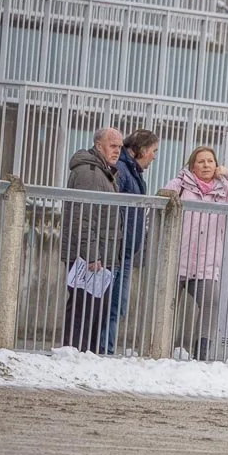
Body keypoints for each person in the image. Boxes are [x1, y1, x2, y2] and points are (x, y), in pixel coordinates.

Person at [161, 146, 228, 361]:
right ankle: (160, 347)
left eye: (210, 162)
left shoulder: (223, 193)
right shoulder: (180, 185)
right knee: (167, 304)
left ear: (216, 166)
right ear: (192, 166)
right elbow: (160, 203)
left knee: (210, 303)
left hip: (206, 264)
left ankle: (201, 353)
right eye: (201, 161)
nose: (206, 165)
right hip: (177, 260)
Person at [99, 129, 160, 355]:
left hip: (123, 252)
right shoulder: (123, 171)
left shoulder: (131, 171)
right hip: (116, 251)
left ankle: (106, 348)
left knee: (117, 306)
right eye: (153, 151)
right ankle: (104, 349)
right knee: (112, 306)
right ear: (142, 150)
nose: (154, 156)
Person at [61, 128, 122, 352]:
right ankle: (76, 354)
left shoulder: (102, 172)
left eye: (120, 146)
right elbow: (83, 217)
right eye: (113, 145)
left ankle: (83, 354)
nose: (117, 150)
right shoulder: (91, 173)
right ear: (98, 146)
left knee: (94, 310)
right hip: (89, 258)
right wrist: (92, 254)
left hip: (97, 255)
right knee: (84, 310)